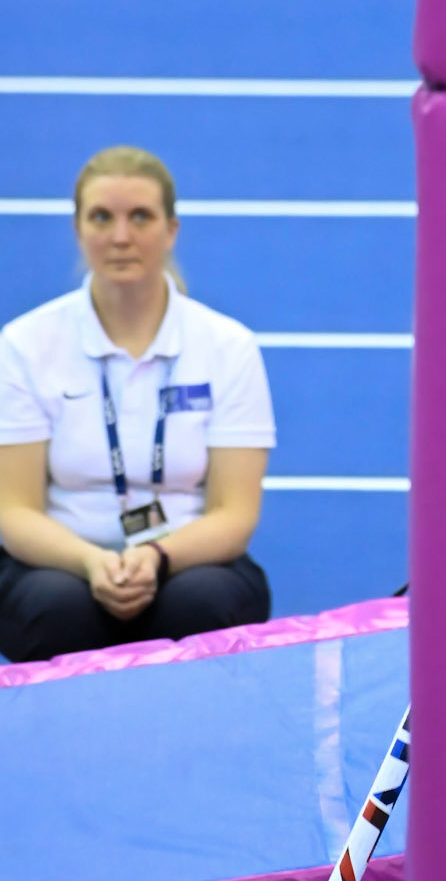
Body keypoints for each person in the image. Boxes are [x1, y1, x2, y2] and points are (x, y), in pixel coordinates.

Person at [0, 146, 276, 661]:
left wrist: (155, 556)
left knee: (204, 603)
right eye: (102, 217)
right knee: (54, 608)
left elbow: (234, 513)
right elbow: (13, 510)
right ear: (78, 228)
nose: (120, 236)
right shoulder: (24, 345)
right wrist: (89, 562)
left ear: (172, 230)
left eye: (140, 217)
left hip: (186, 561)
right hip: (63, 562)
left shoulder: (226, 346)